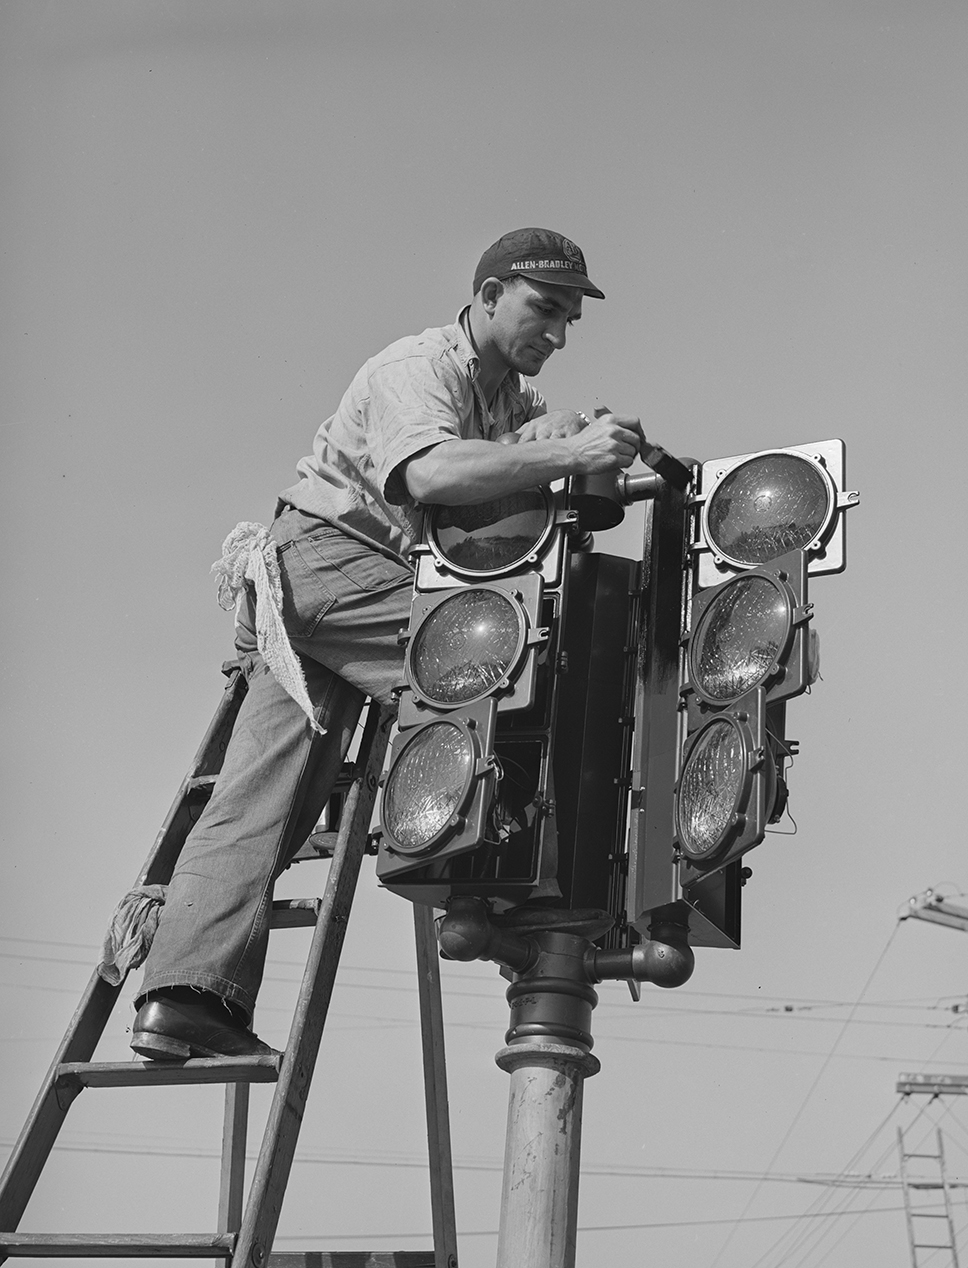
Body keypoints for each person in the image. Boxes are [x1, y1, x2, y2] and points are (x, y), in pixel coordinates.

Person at [124, 227, 642, 1060]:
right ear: (487, 297)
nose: (557, 332)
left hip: (329, 601)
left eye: (570, 319)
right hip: (330, 566)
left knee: (263, 801)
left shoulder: (513, 405)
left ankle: (182, 999)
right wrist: (563, 456)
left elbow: (492, 507)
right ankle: (480, 888)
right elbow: (430, 475)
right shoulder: (417, 366)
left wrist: (571, 455)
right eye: (544, 309)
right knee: (496, 668)